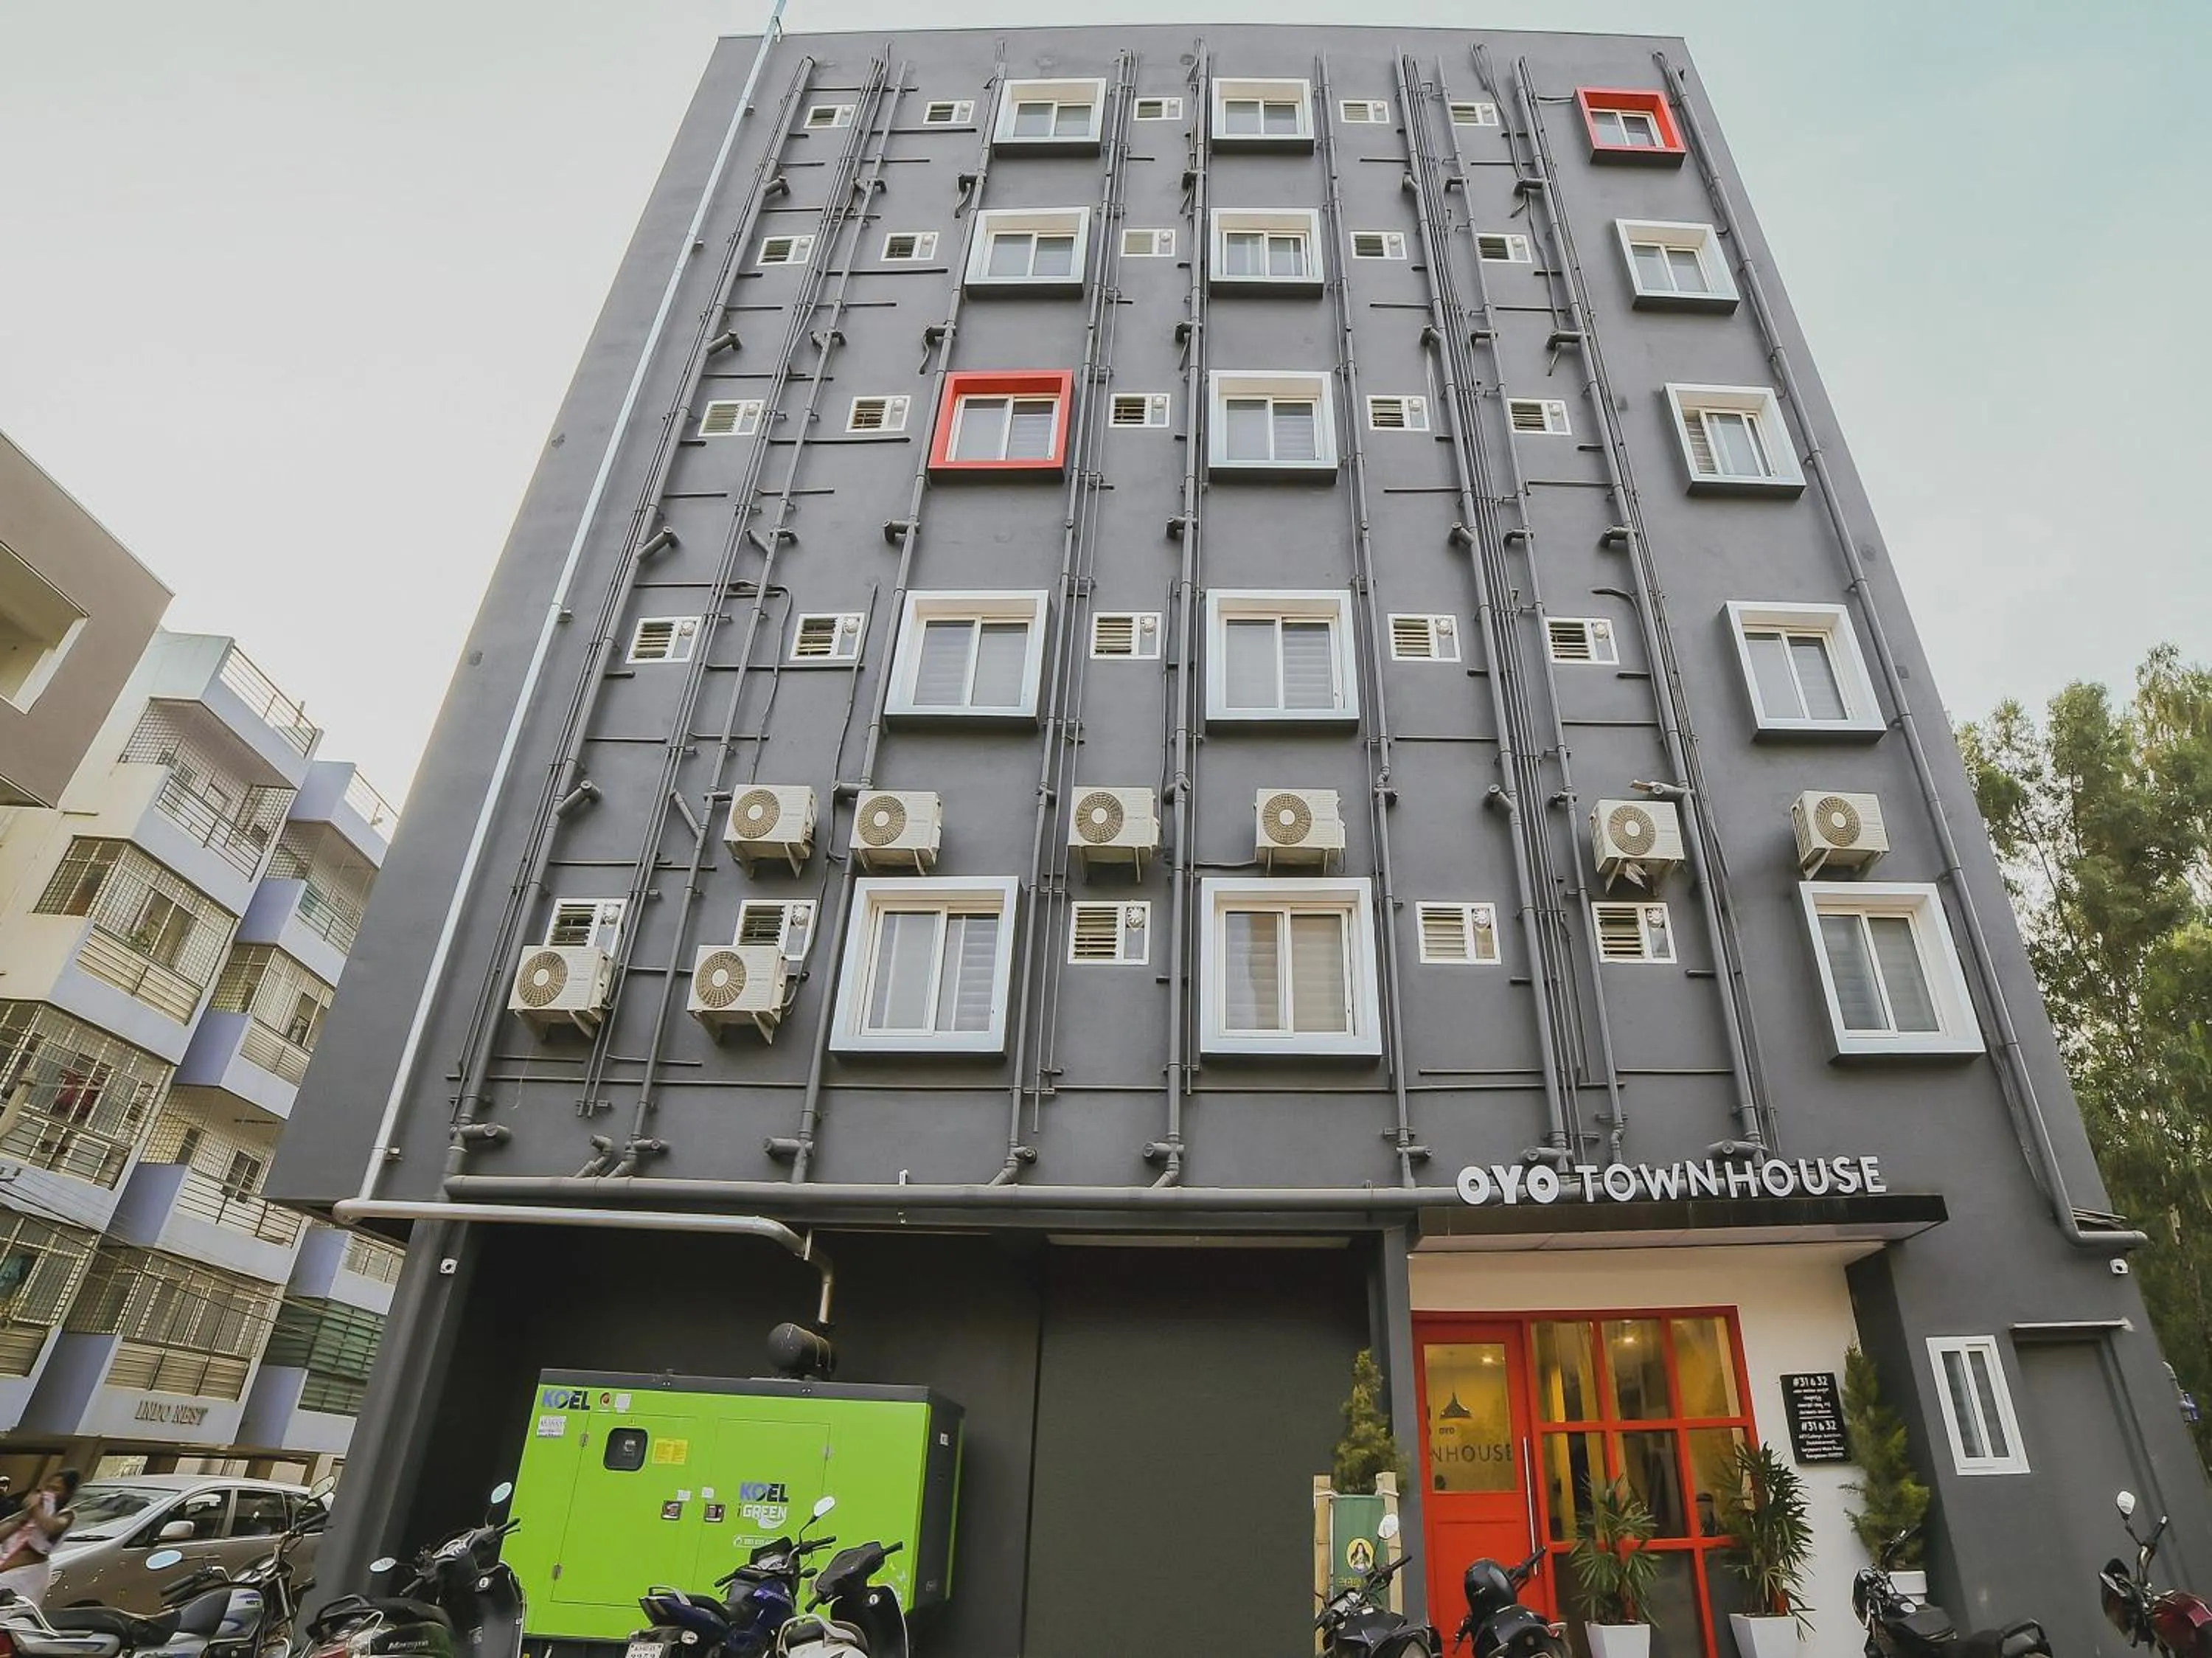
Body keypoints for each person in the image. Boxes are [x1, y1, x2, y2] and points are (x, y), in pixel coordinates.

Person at [0, 1469, 80, 1606]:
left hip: (26, 1576)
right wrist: (26, 1516)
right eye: (47, 1488)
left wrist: (36, 1508)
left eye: (56, 1489)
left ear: (67, 1494)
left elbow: (52, 1527)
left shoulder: (66, 1516)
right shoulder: (30, 1515)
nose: (48, 1493)